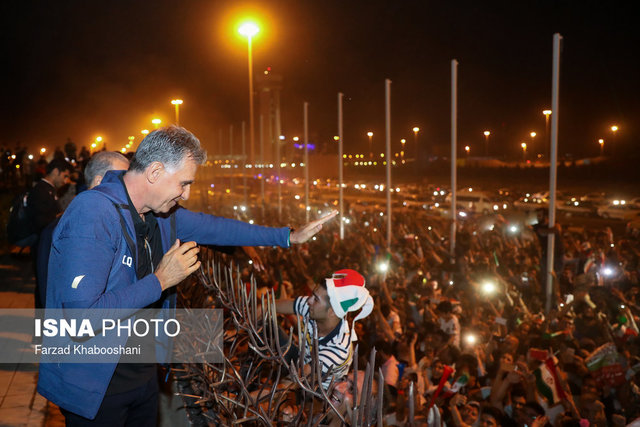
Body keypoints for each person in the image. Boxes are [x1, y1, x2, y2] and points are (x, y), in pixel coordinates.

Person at [37, 126, 337, 425]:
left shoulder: (160, 213)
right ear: (155, 172)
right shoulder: (93, 213)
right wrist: (160, 281)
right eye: (183, 183)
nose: (186, 194)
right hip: (96, 388)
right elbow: (80, 319)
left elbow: (216, 227)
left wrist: (288, 236)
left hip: (143, 378)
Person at [36, 151, 130, 307]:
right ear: (99, 182)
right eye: (122, 181)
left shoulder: (109, 220)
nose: (128, 190)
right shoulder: (77, 225)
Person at [275, 268, 373, 390]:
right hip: (300, 362)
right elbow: (269, 305)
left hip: (315, 394)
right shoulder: (314, 308)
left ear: (332, 311)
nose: (309, 301)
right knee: (269, 327)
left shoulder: (338, 349)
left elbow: (294, 382)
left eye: (316, 299)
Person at [27, 158, 72, 309]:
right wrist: (58, 216)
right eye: (65, 175)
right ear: (55, 172)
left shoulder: (49, 189)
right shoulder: (41, 190)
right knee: (42, 286)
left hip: (45, 245)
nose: (66, 180)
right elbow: (39, 220)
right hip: (40, 245)